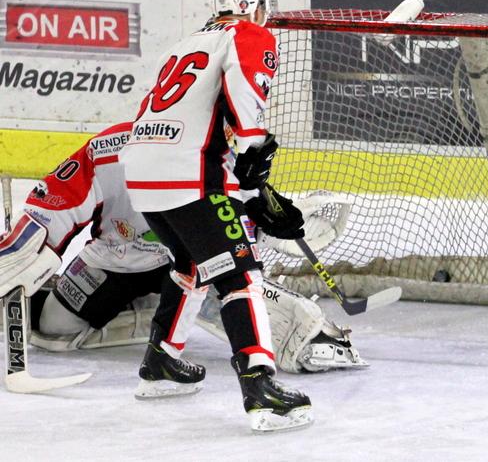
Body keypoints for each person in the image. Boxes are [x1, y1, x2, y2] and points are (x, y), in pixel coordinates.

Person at [119, 0, 314, 431]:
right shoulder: (247, 33)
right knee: (240, 275)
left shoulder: (185, 44)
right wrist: (254, 148)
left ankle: (161, 361)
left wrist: (251, 193)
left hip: (143, 172)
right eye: (262, 5)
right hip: (190, 177)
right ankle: (261, 387)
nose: (265, 15)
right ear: (250, 5)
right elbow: (244, 108)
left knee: (190, 264)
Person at [6, 124, 365, 375]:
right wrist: (21, 255)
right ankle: (147, 309)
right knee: (54, 330)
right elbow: (50, 208)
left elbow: (234, 227)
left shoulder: (217, 160)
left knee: (296, 338)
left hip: (190, 263)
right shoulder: (107, 152)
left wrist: (268, 220)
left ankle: (285, 316)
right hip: (115, 258)